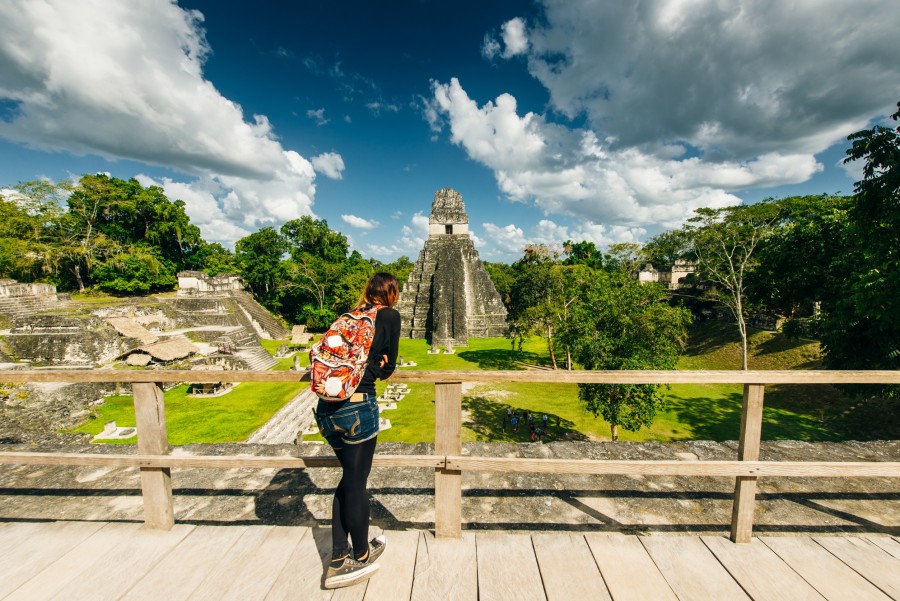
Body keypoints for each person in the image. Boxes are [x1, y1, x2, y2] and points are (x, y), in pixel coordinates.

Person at [313, 272, 401, 589]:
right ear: (391, 293)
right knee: (356, 482)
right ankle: (359, 557)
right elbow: (388, 368)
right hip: (358, 406)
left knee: (349, 480)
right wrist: (375, 367)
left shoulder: (348, 317)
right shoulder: (388, 315)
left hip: (326, 409)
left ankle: (339, 556)